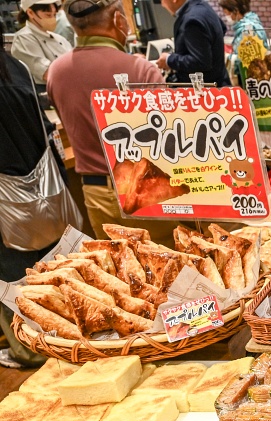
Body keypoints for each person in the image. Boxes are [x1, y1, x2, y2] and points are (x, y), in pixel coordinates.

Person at [47, 0, 172, 243]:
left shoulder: (56, 72)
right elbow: (168, 141)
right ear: (117, 20)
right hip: (145, 190)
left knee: (116, 270)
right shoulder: (141, 70)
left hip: (96, 194)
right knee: (168, 268)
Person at [0, 27, 72, 368]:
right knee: (50, 266)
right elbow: (46, 130)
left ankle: (28, 349)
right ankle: (66, 338)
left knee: (11, 273)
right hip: (42, 189)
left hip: (5, 203)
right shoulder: (17, 68)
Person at [156, 0, 230, 86]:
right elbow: (222, 29)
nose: (162, 4)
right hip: (220, 82)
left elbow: (200, 61)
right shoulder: (203, 6)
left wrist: (169, 60)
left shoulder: (191, 20)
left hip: (207, 92)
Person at [10, 0, 72, 89]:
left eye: (54, 15)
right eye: (48, 15)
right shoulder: (24, 38)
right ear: (30, 13)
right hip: (45, 93)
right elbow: (47, 73)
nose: (52, 19)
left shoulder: (59, 38)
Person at [220, 0, 267, 84]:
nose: (227, 17)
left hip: (251, 78)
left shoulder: (247, 29)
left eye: (227, 13)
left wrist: (228, 57)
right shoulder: (252, 24)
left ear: (236, 11)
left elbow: (245, 58)